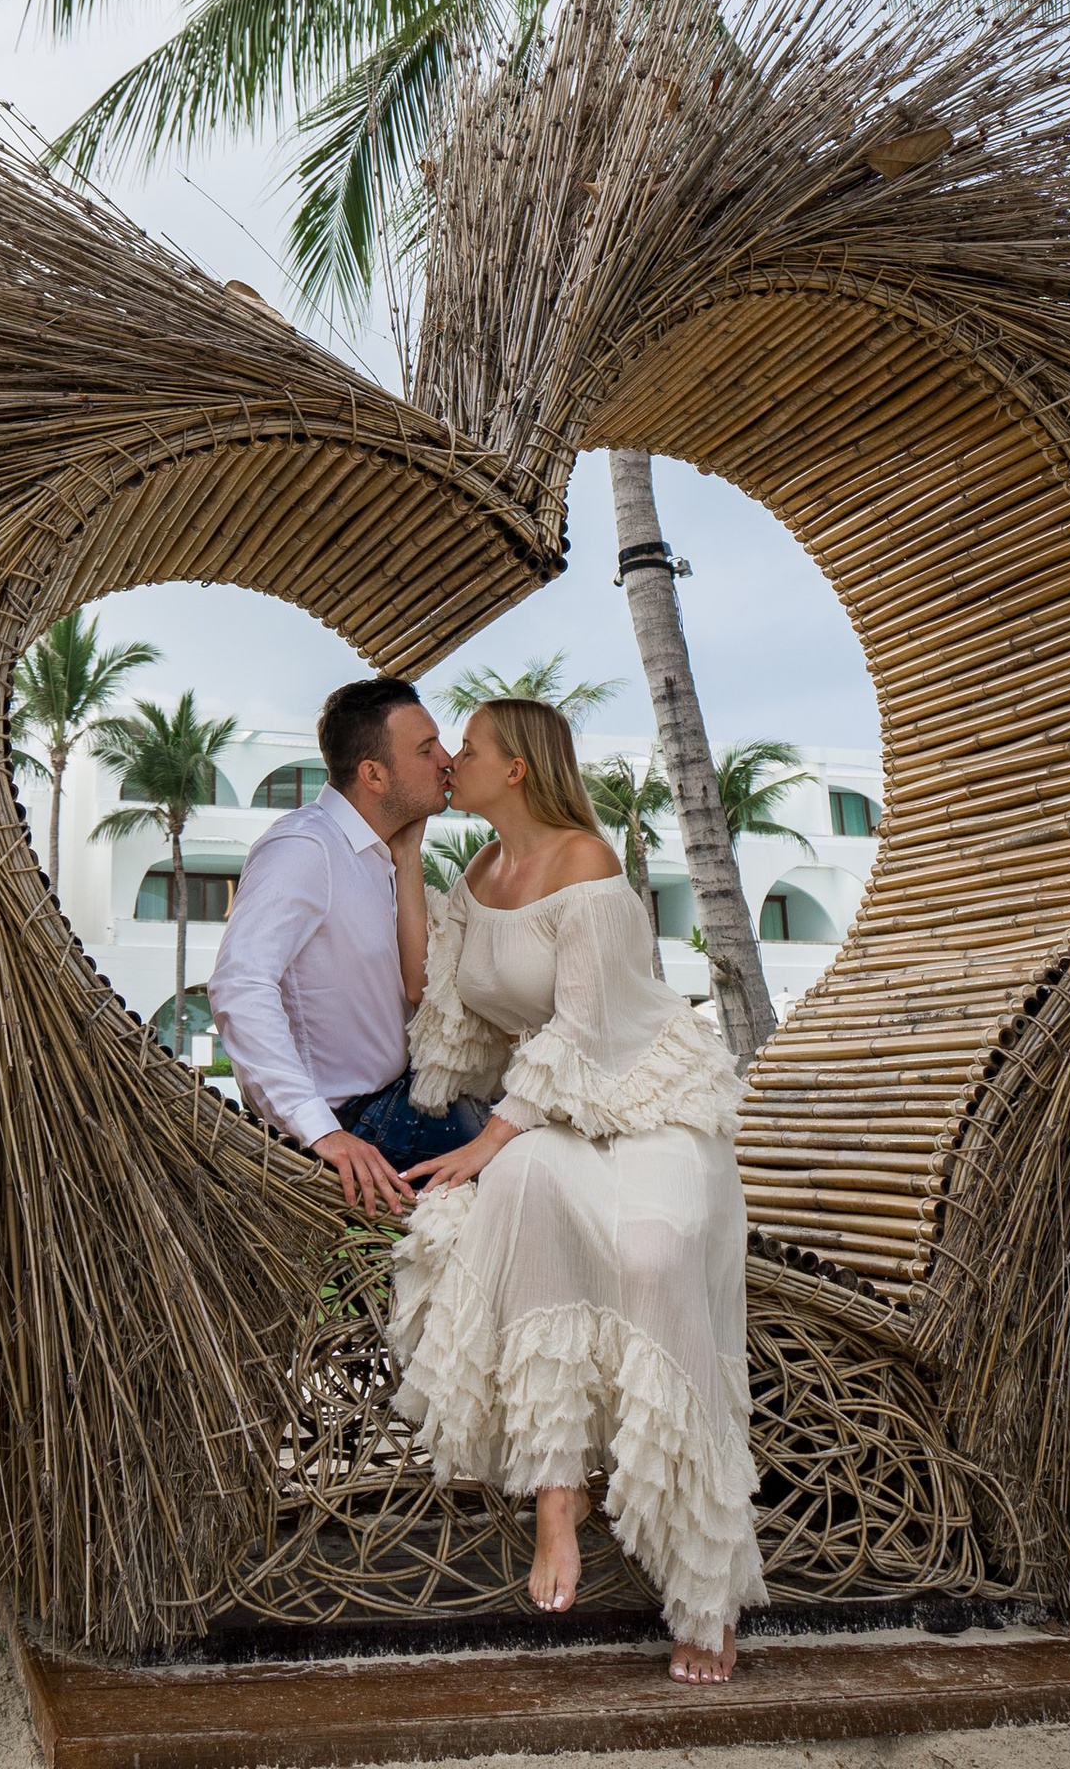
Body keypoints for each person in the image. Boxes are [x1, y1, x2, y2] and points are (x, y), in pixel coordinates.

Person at [389, 697, 763, 1682]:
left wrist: (491, 1136)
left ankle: (704, 1587)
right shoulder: (478, 871)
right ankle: (557, 1497)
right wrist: (407, 857)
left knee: (653, 1256)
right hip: (553, 1116)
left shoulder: (586, 863)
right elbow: (438, 995)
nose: (452, 759)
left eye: (468, 748)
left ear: (516, 768)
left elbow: (587, 1027)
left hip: (650, 1107)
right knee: (517, 1185)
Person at [205, 677, 484, 1217]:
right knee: (536, 1170)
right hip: (359, 1123)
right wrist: (320, 1129)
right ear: (373, 774)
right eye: (426, 749)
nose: (447, 761)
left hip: (400, 1097)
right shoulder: (305, 847)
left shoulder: (378, 854)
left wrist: (407, 856)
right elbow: (240, 984)